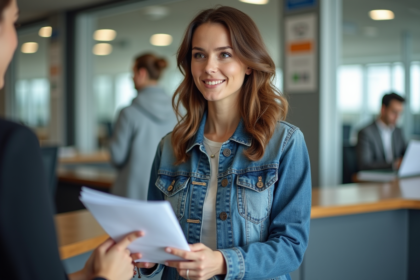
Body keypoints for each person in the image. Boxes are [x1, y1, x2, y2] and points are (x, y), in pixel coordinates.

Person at [136, 6, 311, 280]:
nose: (208, 67)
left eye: (224, 54)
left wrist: (221, 262)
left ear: (249, 64)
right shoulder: (169, 147)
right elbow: (157, 243)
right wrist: (148, 259)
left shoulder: (285, 143)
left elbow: (291, 248)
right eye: (199, 55)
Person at [0, 0, 143, 279]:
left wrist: (85, 275)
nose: (14, 38)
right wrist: (106, 277)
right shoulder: (12, 144)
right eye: (13, 23)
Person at [110, 53, 177, 200]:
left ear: (141, 73)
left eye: (132, 73)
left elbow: (116, 157)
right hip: (167, 194)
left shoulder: (128, 113)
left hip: (132, 196)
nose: (131, 78)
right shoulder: (179, 111)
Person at [356, 93, 406, 171]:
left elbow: (405, 153)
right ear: (383, 109)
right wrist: (394, 165)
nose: (397, 117)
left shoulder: (398, 131)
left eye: (399, 113)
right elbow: (365, 164)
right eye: (394, 112)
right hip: (375, 179)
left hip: (396, 177)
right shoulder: (365, 133)